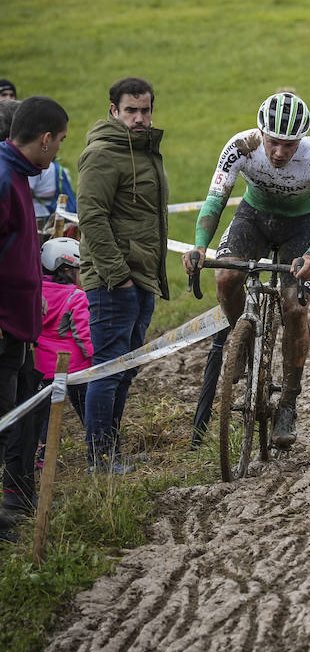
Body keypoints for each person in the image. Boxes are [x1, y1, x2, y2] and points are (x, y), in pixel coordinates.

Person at [184, 92, 310, 449]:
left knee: (295, 308)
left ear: (300, 141)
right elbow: (216, 198)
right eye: (273, 142)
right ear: (261, 133)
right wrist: (200, 245)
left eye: (288, 145)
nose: (280, 152)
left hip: (301, 226)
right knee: (226, 276)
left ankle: (288, 404)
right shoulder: (241, 146)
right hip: (254, 217)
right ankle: (243, 340)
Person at [77, 78, 168, 471]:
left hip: (141, 276)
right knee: (109, 366)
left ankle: (112, 452)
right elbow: (91, 218)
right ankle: (99, 459)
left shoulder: (145, 150)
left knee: (125, 368)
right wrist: (118, 275)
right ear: (113, 111)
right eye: (131, 110)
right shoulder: (102, 154)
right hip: (114, 279)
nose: (139, 118)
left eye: (145, 110)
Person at [1, 96, 67, 536]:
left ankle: (14, 498)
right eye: (59, 141)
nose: (59, 150)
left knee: (17, 416)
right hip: (4, 326)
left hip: (21, 321)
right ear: (44, 139)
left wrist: (37, 292)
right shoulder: (5, 179)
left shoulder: (18, 175)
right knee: (3, 419)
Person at [33, 237, 93, 475]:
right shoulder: (76, 296)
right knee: (87, 410)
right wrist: (96, 359)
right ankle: (99, 448)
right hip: (76, 368)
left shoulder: (36, 295)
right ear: (66, 269)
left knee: (43, 419)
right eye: (79, 270)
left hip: (43, 369)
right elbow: (84, 333)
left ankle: (40, 457)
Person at [30, 157, 76, 222]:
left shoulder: (37, 167)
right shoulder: (56, 167)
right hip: (52, 212)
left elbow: (25, 192)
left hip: (38, 214)